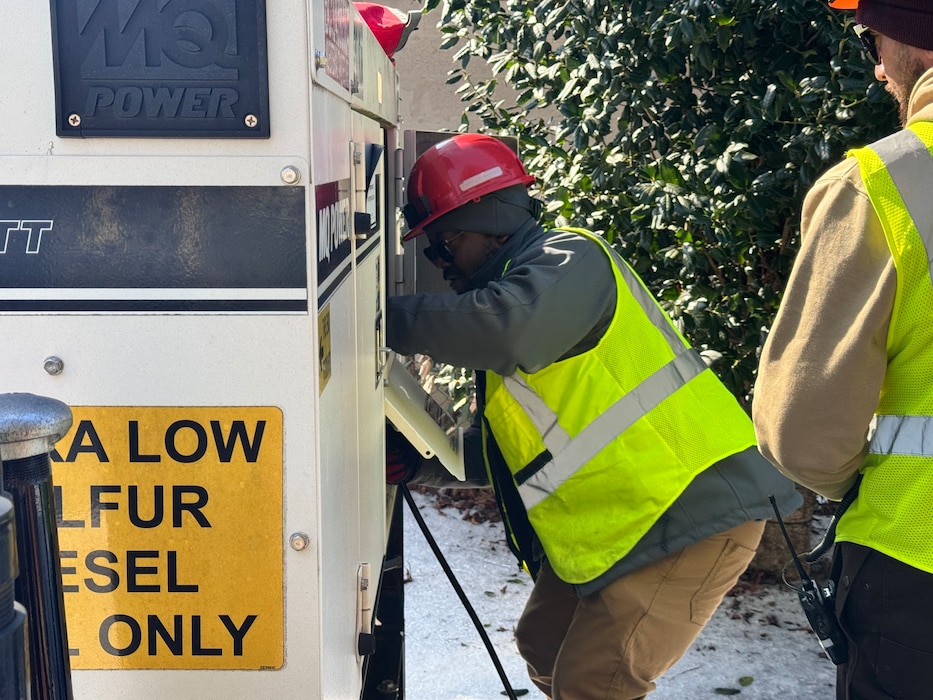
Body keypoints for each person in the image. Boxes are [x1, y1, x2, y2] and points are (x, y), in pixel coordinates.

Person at [385, 132, 801, 700]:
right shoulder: (522, 301)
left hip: (691, 507)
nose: (441, 265)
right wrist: (420, 464)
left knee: (595, 683)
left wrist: (375, 320)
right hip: (629, 516)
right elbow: (513, 455)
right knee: (545, 646)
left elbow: (506, 327)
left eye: (444, 245)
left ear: (492, 221)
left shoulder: (568, 261)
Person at [752, 1, 933, 698]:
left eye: (871, 41)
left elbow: (802, 433)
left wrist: (851, 481)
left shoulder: (885, 183)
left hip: (914, 563)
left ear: (918, 46)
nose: (878, 69)